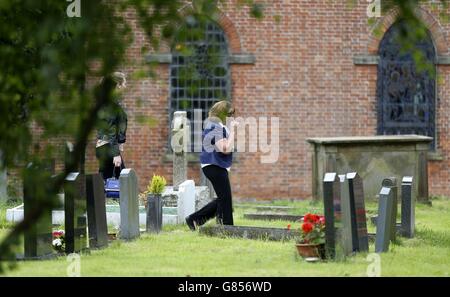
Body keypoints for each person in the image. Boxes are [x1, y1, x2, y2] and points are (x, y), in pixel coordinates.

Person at [185, 100, 239, 230]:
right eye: (230, 114)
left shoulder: (217, 126)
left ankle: (197, 220)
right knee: (225, 199)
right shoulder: (215, 127)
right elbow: (225, 149)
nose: (232, 117)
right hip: (214, 166)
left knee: (223, 199)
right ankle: (227, 228)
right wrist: (233, 132)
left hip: (215, 166)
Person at [96, 72, 128, 181]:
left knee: (106, 180)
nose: (125, 86)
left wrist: (120, 144)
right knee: (123, 181)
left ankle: (98, 197)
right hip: (108, 147)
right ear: (118, 85)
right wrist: (116, 154)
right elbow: (110, 129)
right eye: (124, 83)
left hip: (108, 146)